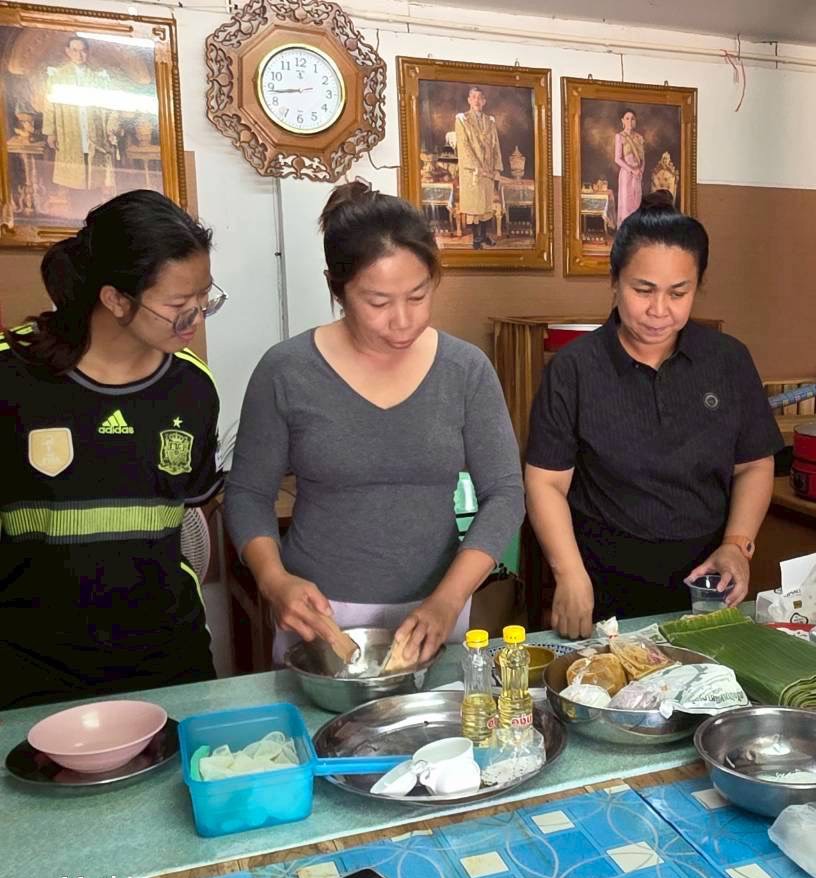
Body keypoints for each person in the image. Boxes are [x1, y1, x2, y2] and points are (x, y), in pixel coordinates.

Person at [225, 182, 523, 667]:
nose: (402, 320)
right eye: (378, 303)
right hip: (321, 615)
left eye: (418, 295)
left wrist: (449, 599)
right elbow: (247, 494)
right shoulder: (287, 370)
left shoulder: (465, 370)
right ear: (337, 288)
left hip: (437, 612)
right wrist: (275, 581)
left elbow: (505, 493)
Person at [1, 190, 224, 708]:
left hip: (169, 664)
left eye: (204, 299)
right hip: (33, 670)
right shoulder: (12, 378)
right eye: (177, 306)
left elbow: (190, 519)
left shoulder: (192, 388)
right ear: (116, 299)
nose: (195, 318)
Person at [525, 191, 783, 638]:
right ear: (614, 282)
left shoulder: (727, 360)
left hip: (705, 580)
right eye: (642, 290)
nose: (659, 310)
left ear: (697, 287)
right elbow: (546, 482)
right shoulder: (575, 369)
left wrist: (736, 546)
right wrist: (569, 574)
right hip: (602, 581)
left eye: (678, 293)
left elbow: (755, 464)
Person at [45, 37, 121, 197]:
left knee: (95, 168)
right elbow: (50, 106)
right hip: (69, 128)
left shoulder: (99, 77)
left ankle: (95, 196)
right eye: (74, 50)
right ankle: (74, 198)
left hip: (93, 127)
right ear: (67, 52)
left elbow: (111, 104)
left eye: (83, 51)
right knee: (72, 169)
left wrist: (111, 128)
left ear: (88, 52)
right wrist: (51, 132)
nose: (79, 55)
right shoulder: (57, 76)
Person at [454, 86, 503, 250]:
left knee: (485, 205)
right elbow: (464, 146)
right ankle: (476, 238)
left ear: (484, 101)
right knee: (474, 205)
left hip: (488, 169)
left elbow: (495, 145)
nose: (477, 100)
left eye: (480, 97)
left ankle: (484, 235)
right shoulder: (462, 119)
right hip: (472, 172)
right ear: (469, 100)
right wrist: (477, 167)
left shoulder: (490, 121)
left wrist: (496, 168)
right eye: (473, 97)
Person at [614, 109, 644, 225]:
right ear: (622, 121)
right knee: (626, 204)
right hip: (626, 174)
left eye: (632, 119)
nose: (630, 121)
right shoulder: (620, 136)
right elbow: (617, 159)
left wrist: (640, 172)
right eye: (627, 118)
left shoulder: (639, 138)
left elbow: (643, 159)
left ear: (635, 121)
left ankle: (635, 231)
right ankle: (626, 231)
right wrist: (632, 170)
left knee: (637, 204)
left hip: (638, 175)